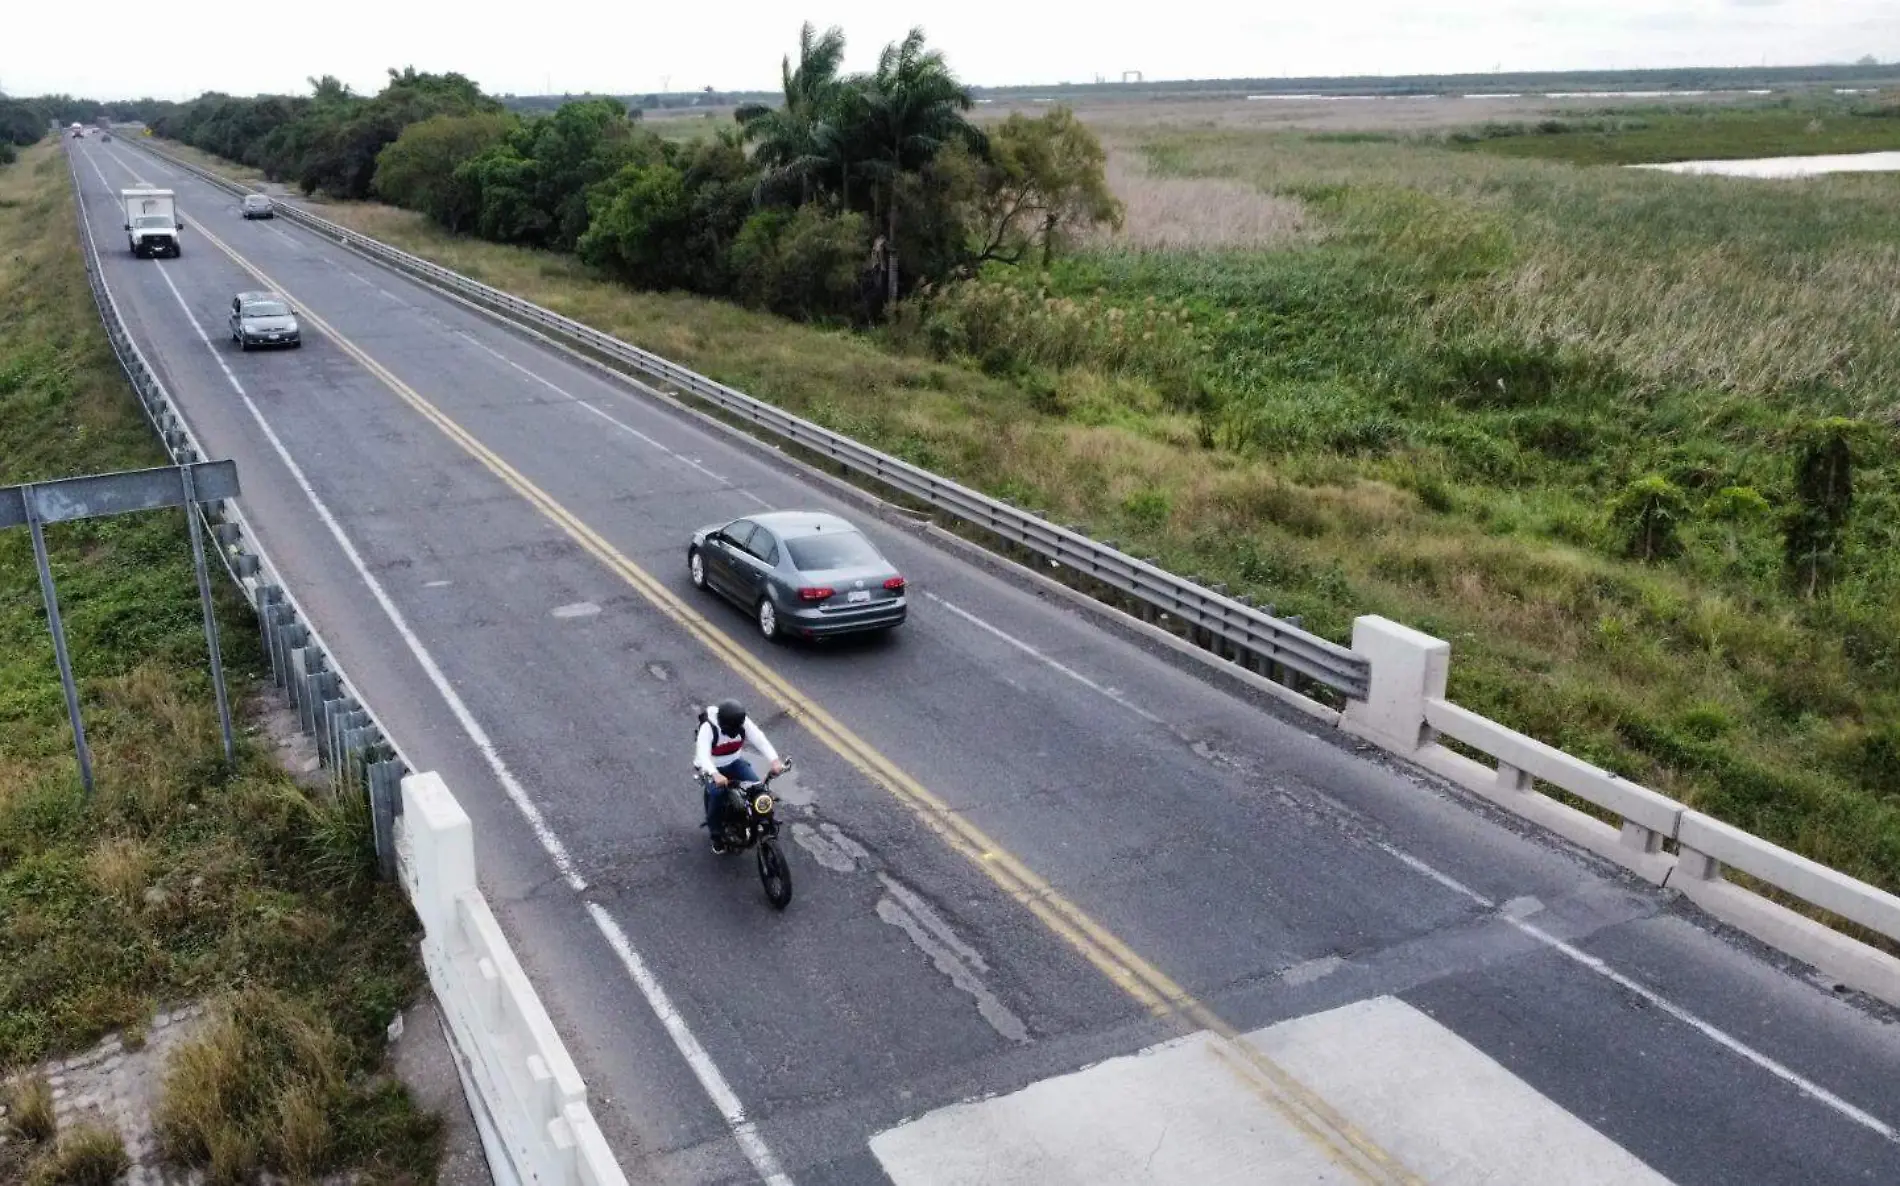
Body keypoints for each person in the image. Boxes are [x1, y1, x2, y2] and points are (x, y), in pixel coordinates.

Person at [694, 700, 782, 853]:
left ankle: (763, 822)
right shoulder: (709, 727)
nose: (734, 732)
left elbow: (759, 738)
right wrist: (715, 774)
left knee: (758, 789)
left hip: (734, 761)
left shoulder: (742, 721)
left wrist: (774, 760)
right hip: (711, 767)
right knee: (717, 794)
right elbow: (702, 755)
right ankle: (716, 835)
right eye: (731, 729)